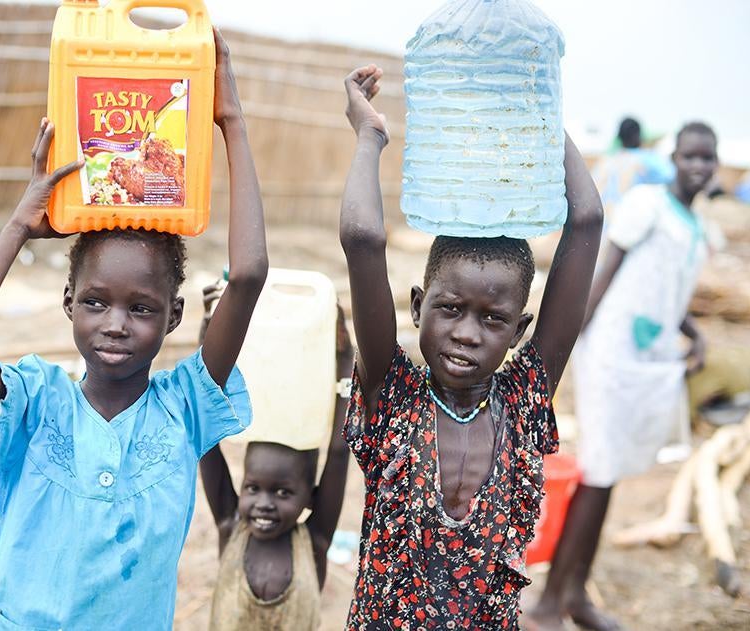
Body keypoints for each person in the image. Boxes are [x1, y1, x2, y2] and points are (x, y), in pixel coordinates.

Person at [0, 30, 268, 630]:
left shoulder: (185, 405)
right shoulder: (35, 401)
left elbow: (248, 274)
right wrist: (17, 226)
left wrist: (231, 122)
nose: (115, 325)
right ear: (68, 303)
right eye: (95, 302)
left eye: (141, 309)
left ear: (175, 318)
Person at [337, 65, 603, 628]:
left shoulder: (524, 398)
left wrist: (543, 117)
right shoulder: (393, 395)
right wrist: (369, 136)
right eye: (450, 308)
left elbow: (588, 220)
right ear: (416, 306)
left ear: (520, 330)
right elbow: (362, 239)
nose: (466, 333)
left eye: (493, 319)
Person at [526, 122, 719, 631]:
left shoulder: (695, 225)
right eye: (690, 156)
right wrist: (566, 347)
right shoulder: (647, 206)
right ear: (672, 158)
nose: (699, 166)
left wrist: (693, 334)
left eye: (708, 158)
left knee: (607, 477)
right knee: (597, 472)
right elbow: (606, 273)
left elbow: (664, 289)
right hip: (611, 353)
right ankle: (549, 605)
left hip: (648, 359)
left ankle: (573, 595)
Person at [197, 285, 354, 630]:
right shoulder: (230, 526)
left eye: (282, 492)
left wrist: (345, 361)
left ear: (311, 496)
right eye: (253, 488)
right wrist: (207, 334)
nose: (263, 503)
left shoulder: (314, 543)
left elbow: (339, 452)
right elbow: (204, 436)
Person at [593, 117, 674, 220]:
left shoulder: (605, 162)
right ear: (638, 136)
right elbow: (671, 176)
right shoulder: (648, 159)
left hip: (602, 226)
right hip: (631, 224)